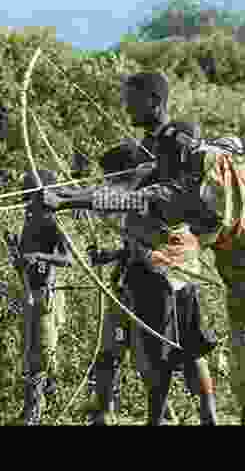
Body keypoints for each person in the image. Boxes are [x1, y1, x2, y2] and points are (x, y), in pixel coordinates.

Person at [42, 71, 245, 425]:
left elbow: (131, 198)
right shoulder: (223, 157)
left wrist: (66, 199)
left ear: (180, 162)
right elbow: (201, 150)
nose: (163, 171)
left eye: (167, 165)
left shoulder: (188, 192)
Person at [84, 140, 217, 425]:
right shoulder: (152, 194)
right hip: (144, 284)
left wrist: (92, 203)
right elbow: (139, 243)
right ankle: (105, 412)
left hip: (160, 289)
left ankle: (192, 417)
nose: (107, 183)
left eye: (111, 177)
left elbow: (153, 245)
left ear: (125, 175)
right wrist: (113, 253)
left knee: (174, 355)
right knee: (114, 349)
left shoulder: (155, 196)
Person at [13, 168, 73, 425]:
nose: (26, 204)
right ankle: (40, 406)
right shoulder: (29, 221)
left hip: (47, 296)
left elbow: (68, 259)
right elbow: (23, 262)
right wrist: (19, 257)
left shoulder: (51, 221)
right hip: (31, 293)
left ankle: (37, 412)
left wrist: (40, 257)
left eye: (30, 197)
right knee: (32, 354)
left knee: (43, 355)